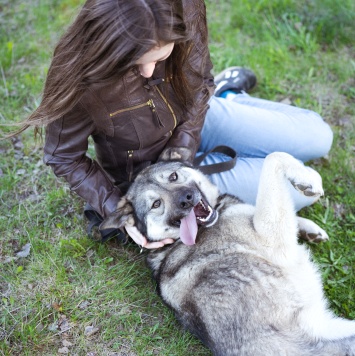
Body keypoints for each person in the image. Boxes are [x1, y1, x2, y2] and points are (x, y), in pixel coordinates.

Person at [18, 0, 333, 249]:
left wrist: (182, 148)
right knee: (305, 188)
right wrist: (121, 208)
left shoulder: (186, 6)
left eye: (159, 58)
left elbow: (199, 80)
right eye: (132, 61)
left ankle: (228, 96)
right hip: (156, 176)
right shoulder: (82, 77)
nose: (147, 71)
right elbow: (63, 156)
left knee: (320, 137)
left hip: (195, 120)